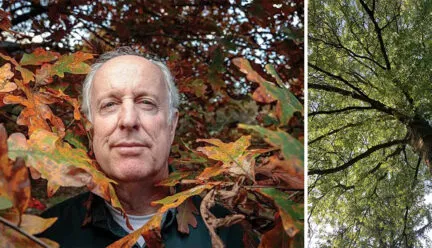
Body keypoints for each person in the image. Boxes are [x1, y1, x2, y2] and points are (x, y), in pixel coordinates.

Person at [38, 47, 244, 247]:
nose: (128, 120)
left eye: (146, 102)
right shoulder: (45, 235)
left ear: (172, 125)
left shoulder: (230, 232)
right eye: (109, 104)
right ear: (89, 129)